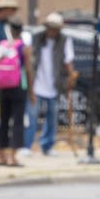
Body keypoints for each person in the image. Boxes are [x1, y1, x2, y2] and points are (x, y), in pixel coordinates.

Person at [25, 12, 75, 157]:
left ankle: (47, 145)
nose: (52, 32)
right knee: (32, 116)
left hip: (54, 84)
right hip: (36, 84)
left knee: (52, 117)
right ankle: (27, 145)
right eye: (50, 28)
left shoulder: (64, 41)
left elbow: (68, 61)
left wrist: (71, 75)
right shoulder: (35, 38)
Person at [0, 18, 31, 167]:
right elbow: (28, 69)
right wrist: (32, 91)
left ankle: (1, 155)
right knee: (17, 120)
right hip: (18, 86)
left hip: (2, 87)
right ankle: (13, 157)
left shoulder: (3, 45)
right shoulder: (23, 47)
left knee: (3, 120)